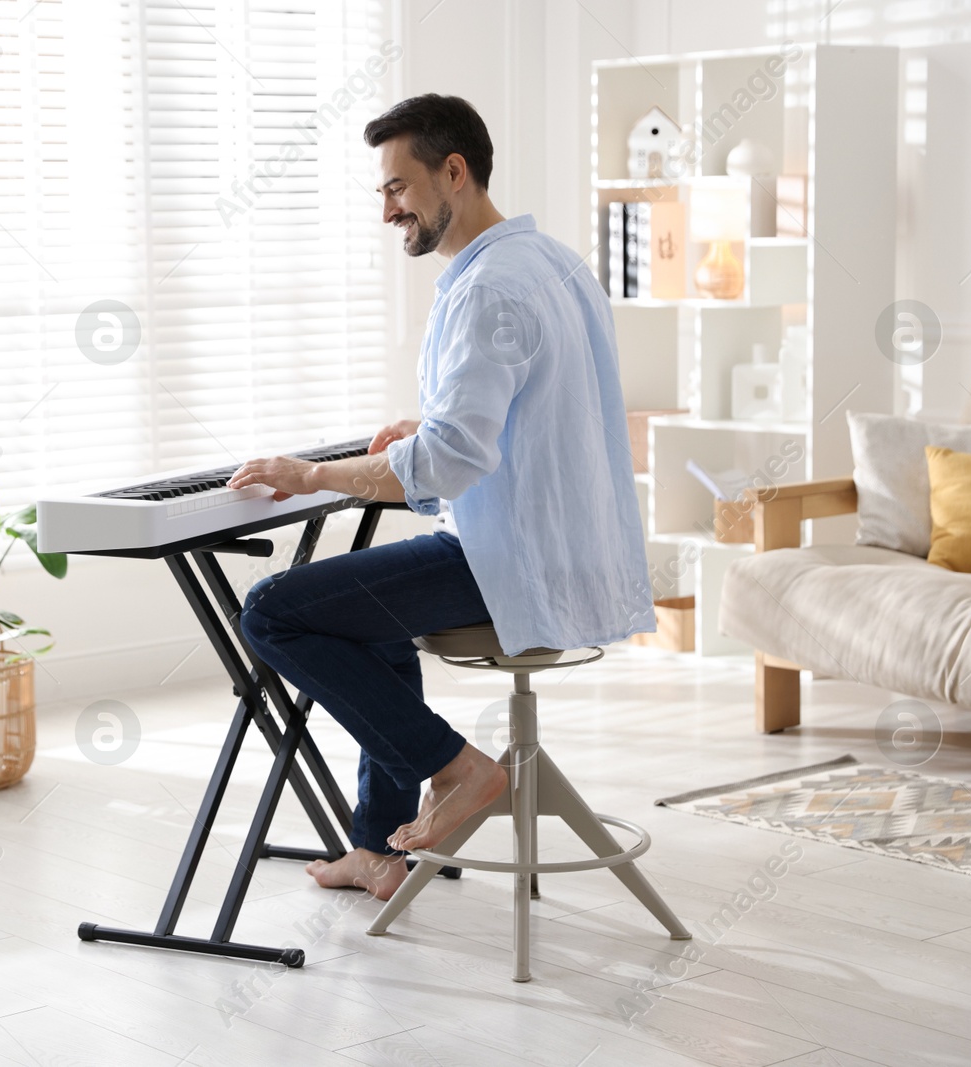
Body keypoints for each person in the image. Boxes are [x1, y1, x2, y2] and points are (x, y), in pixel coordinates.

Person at [228, 93, 654, 901]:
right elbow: (534, 412)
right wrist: (429, 428)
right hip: (575, 549)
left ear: (452, 172)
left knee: (273, 610)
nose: (388, 210)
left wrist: (311, 473)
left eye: (399, 187)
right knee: (361, 616)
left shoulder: (489, 287)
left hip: (512, 562)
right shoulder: (552, 261)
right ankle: (378, 847)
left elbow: (454, 463)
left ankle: (458, 769)